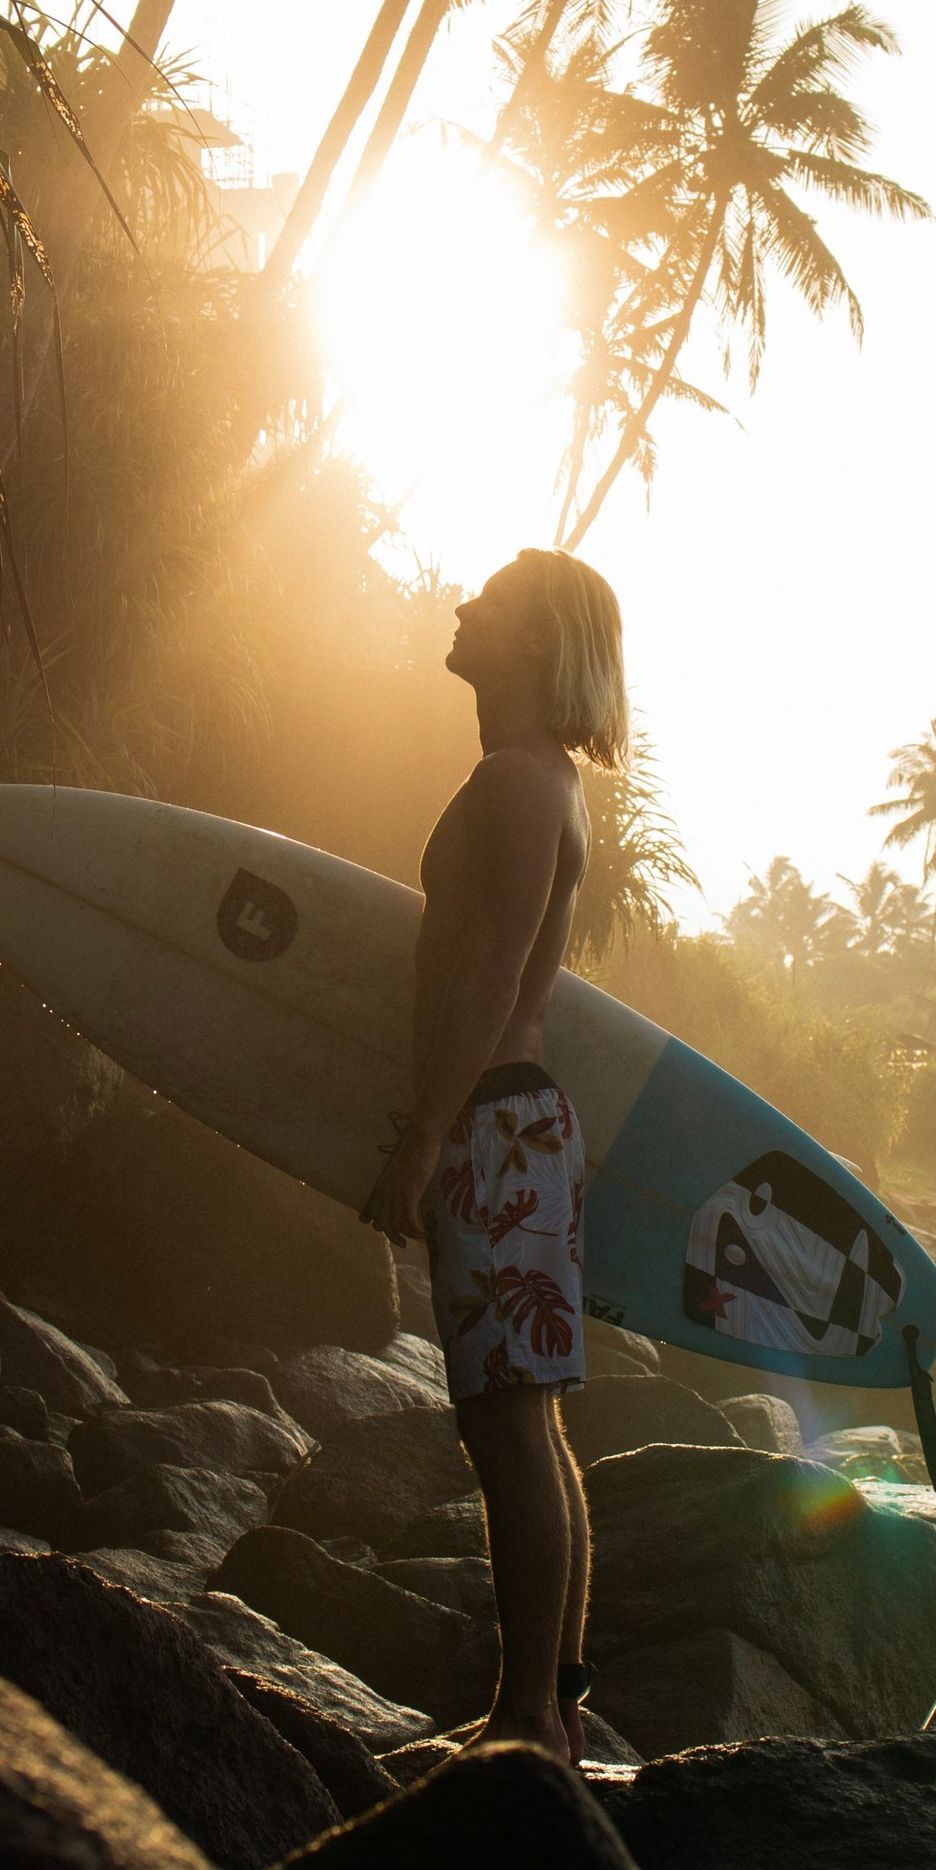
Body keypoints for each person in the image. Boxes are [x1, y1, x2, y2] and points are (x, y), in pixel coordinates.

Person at [359, 547, 630, 1765]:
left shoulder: (522, 785)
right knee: (525, 1425)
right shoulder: (538, 778)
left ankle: (528, 1717)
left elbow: (484, 976)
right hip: (515, 1124)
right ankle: (551, 1706)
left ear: (533, 643)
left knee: (508, 1429)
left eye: (494, 599)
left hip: (494, 1126)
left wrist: (423, 1138)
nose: (464, 604)